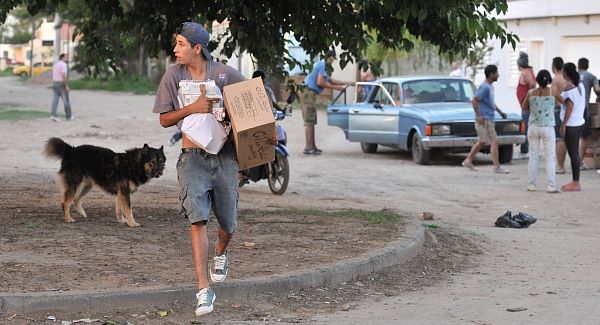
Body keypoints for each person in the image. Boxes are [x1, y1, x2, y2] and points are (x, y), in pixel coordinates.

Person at [152, 22, 246, 316]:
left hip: (225, 157)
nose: (175, 49)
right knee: (198, 219)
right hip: (191, 156)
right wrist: (194, 107)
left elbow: (251, 101)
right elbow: (165, 120)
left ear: (197, 48)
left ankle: (221, 252)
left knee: (228, 223)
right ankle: (204, 290)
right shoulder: (172, 75)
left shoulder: (224, 74)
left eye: (180, 44)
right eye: (175, 43)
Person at [301, 49, 354, 155]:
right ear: (330, 57)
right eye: (334, 59)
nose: (334, 61)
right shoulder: (323, 64)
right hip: (308, 92)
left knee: (312, 121)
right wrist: (337, 88)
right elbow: (320, 82)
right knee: (309, 121)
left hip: (310, 93)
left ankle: (312, 147)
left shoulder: (323, 65)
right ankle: (308, 147)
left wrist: (348, 83)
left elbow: (331, 80)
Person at [462, 64, 510, 174]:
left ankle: (468, 160)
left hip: (489, 118)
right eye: (496, 73)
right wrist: (479, 116)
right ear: (491, 74)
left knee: (482, 141)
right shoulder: (484, 87)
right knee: (494, 141)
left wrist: (500, 112)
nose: (498, 75)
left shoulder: (490, 87)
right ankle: (496, 166)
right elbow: (474, 100)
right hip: (485, 119)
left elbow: (491, 103)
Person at [521, 70, 559, 193]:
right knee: (550, 157)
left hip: (533, 127)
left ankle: (531, 185)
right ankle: (551, 186)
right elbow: (560, 103)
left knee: (533, 156)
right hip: (547, 127)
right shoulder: (553, 92)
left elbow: (524, 107)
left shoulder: (531, 93)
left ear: (537, 80)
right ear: (548, 80)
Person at [554, 62, 586, 191]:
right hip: (579, 122)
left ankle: (576, 182)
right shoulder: (581, 86)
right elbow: (572, 103)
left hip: (571, 124)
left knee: (573, 154)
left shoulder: (568, 88)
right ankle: (575, 181)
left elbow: (569, 106)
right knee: (575, 153)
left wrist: (563, 125)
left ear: (565, 73)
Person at [577, 58, 600, 169]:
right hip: (583, 109)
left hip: (571, 110)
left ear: (578, 65)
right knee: (585, 137)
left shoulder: (572, 75)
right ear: (588, 66)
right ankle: (579, 162)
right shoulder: (591, 77)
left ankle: (574, 161)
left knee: (572, 137)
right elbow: (597, 90)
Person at [516, 51, 536, 159]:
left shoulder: (525, 72)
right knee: (529, 127)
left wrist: (528, 97)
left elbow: (532, 84)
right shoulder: (529, 71)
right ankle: (529, 150)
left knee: (526, 127)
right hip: (526, 104)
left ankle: (524, 151)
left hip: (526, 105)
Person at [551, 57, 568, 174]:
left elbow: (554, 95)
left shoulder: (556, 79)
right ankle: (561, 165)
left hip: (558, 110)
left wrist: (561, 102)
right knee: (563, 139)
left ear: (553, 66)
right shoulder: (566, 78)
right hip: (567, 109)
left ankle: (560, 166)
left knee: (559, 139)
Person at [51, 53, 73, 122]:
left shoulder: (56, 64)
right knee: (66, 101)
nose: (67, 58)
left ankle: (53, 115)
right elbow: (63, 75)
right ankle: (69, 116)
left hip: (55, 83)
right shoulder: (64, 65)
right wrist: (66, 85)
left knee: (55, 100)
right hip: (61, 84)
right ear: (62, 58)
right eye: (66, 57)